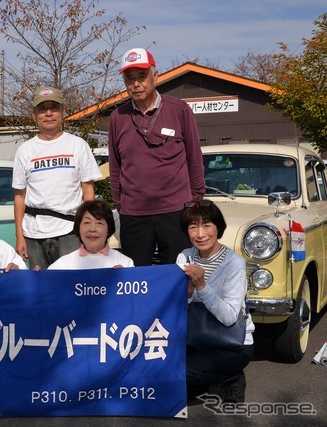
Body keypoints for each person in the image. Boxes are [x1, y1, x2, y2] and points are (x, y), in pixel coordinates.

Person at [108, 48, 205, 266]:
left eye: (142, 76)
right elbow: (115, 165)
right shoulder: (117, 117)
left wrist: (194, 200)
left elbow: (194, 157)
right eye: (129, 78)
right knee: (137, 278)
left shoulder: (179, 110)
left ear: (155, 76)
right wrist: (120, 203)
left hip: (176, 209)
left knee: (178, 274)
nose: (136, 84)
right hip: (133, 213)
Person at [12, 86, 102, 269]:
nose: (48, 113)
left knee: (70, 288)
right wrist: (19, 236)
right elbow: (20, 196)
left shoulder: (78, 145)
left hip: (70, 232)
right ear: (34, 115)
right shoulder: (25, 150)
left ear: (63, 112)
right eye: (42, 109)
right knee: (42, 290)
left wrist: (87, 228)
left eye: (54, 107)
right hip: (34, 234)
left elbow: (88, 191)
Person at [178, 199, 255, 403]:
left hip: (230, 343)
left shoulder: (234, 264)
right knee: (158, 366)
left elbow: (230, 317)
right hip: (194, 338)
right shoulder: (184, 258)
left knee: (180, 373)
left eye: (206, 225)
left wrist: (202, 286)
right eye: (193, 227)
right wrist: (186, 294)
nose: (200, 234)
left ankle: (231, 378)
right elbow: (173, 309)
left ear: (218, 227)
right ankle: (210, 383)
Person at [48, 200, 134, 269]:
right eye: (87, 222)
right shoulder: (63, 266)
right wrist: (37, 277)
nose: (92, 229)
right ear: (78, 227)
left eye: (99, 223)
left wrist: (125, 277)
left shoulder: (125, 263)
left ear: (109, 229)